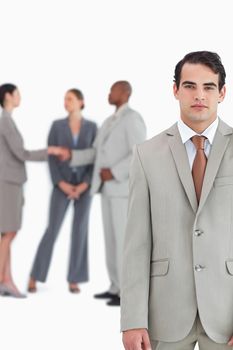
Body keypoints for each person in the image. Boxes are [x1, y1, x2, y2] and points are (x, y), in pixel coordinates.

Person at [120, 51, 233, 350]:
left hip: (227, 313)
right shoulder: (146, 155)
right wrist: (132, 319)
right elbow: (136, 244)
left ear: (222, 93)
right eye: (189, 86)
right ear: (175, 90)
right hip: (165, 313)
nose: (199, 95)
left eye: (209, 87)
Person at [55, 81, 146, 305]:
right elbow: (95, 153)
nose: (109, 93)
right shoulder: (108, 121)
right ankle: (115, 287)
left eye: (112, 90)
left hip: (122, 190)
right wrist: (72, 156)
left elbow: (139, 152)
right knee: (111, 242)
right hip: (106, 190)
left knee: (123, 242)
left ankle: (128, 293)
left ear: (125, 93)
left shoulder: (132, 119)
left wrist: (114, 172)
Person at [28, 89, 97, 294]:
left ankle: (74, 279)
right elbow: (51, 158)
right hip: (61, 185)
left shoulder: (92, 127)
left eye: (70, 99)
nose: (65, 102)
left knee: (80, 231)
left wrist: (85, 184)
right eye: (64, 99)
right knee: (52, 229)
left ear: (81, 102)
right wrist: (61, 183)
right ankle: (35, 275)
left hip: (85, 186)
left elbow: (96, 157)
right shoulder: (57, 126)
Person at [0, 83, 59, 298]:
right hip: (8, 183)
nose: (19, 97)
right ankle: (4, 279)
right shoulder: (5, 121)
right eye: (17, 94)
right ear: (8, 96)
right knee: (9, 232)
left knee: (7, 233)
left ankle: (7, 279)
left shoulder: (8, 120)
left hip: (10, 182)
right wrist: (49, 151)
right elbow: (21, 153)